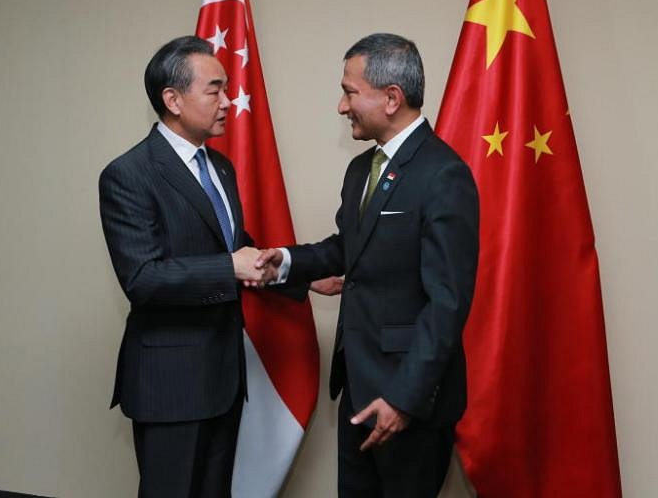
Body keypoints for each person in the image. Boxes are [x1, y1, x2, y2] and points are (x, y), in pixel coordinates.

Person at [258, 33, 479, 496]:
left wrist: (404, 399)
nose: (342, 106)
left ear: (392, 98)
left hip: (407, 399)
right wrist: (286, 262)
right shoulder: (361, 169)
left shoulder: (444, 174)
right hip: (357, 387)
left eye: (350, 92)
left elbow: (447, 304)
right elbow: (348, 249)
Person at [98, 35, 281, 497]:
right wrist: (229, 267)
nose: (227, 101)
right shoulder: (129, 175)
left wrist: (298, 274)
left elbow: (237, 247)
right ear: (173, 100)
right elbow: (143, 278)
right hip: (170, 386)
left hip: (223, 377)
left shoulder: (220, 168)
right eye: (215, 90)